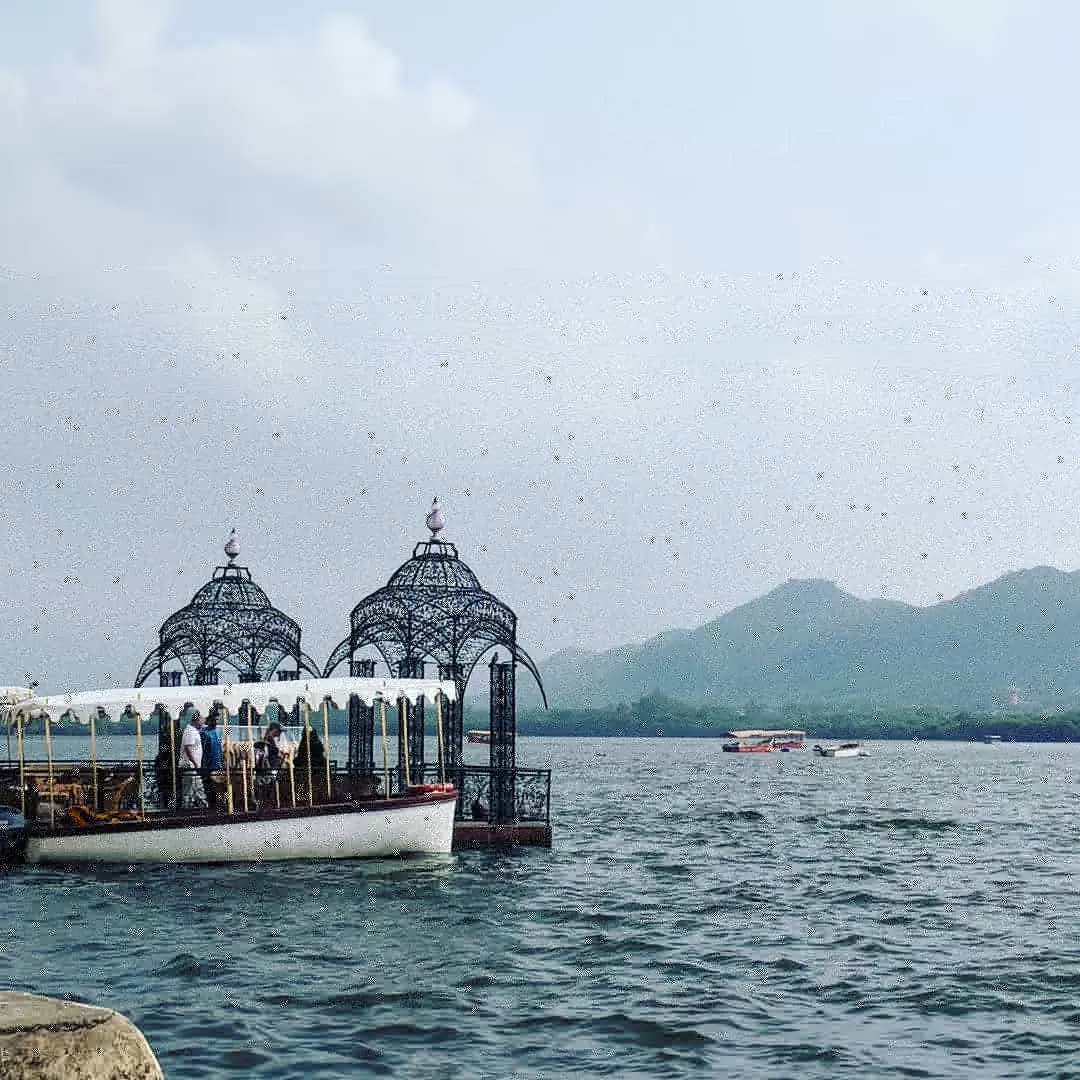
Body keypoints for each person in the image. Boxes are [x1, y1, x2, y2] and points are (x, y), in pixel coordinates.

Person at [177, 710, 206, 809]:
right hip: (189, 765)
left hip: (193, 766)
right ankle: (188, 809)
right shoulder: (190, 731)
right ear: (197, 719)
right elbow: (188, 748)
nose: (204, 722)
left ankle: (199, 807)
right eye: (203, 719)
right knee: (190, 788)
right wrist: (195, 763)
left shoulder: (193, 731)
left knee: (196, 787)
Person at [200, 713, 225, 809]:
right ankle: (211, 806)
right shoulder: (204, 733)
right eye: (214, 720)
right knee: (209, 787)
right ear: (209, 721)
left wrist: (222, 761)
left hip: (218, 763)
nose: (216, 722)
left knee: (219, 786)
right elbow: (202, 750)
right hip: (208, 764)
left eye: (217, 720)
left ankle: (219, 804)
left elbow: (220, 748)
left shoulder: (219, 731)